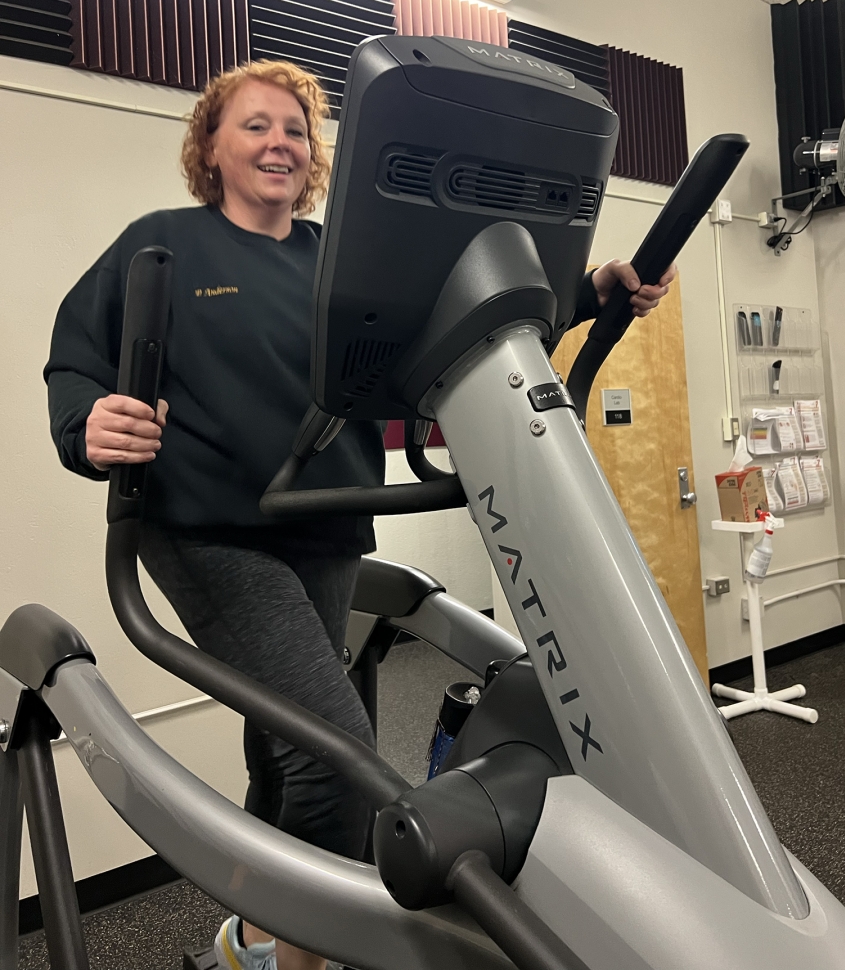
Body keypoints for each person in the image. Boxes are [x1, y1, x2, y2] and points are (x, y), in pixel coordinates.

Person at [44, 59, 673, 970]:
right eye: (255, 126)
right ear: (210, 149)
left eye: (295, 129)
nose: (279, 143)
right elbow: (76, 362)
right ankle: (302, 956)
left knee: (284, 748)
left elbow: (454, 324)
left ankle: (246, 940)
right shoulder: (166, 244)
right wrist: (87, 422)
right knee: (338, 754)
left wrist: (592, 293)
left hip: (330, 521)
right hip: (213, 529)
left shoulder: (339, 257)